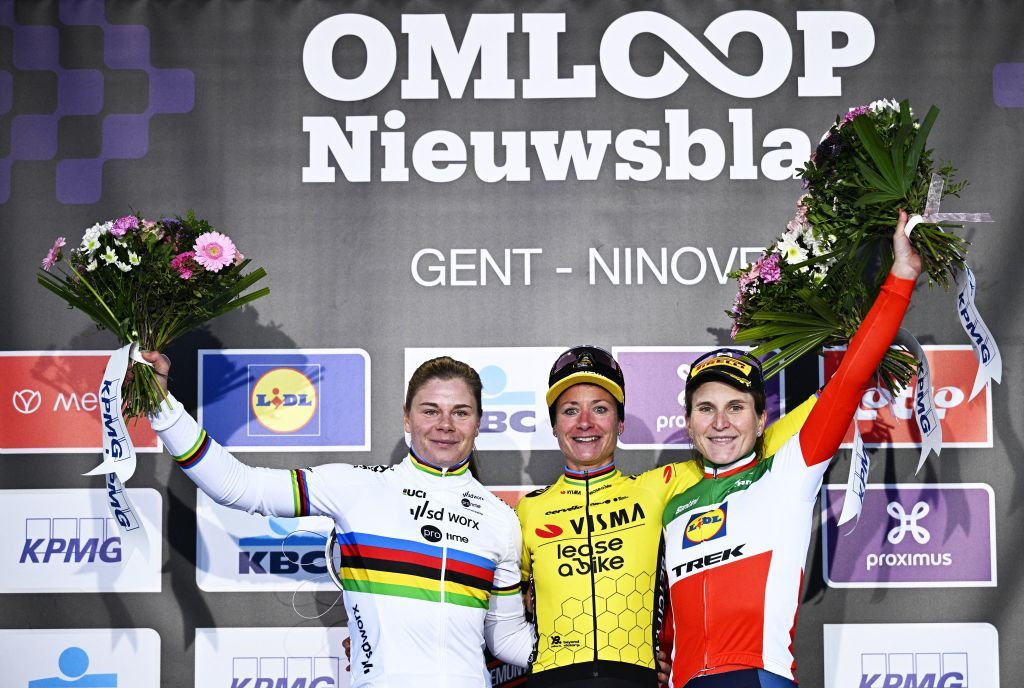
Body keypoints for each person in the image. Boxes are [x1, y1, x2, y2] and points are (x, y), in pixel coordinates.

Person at [143, 354, 534, 688]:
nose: (445, 424)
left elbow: (506, 639)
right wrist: (161, 405)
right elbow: (238, 486)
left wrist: (589, 650)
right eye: (430, 410)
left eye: (460, 412)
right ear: (407, 418)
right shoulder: (357, 486)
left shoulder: (500, 519)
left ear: (479, 422)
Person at [662, 211, 922, 687]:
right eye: (705, 408)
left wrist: (901, 276)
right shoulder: (674, 506)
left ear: (762, 420)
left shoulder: (789, 471)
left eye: (736, 408)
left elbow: (850, 378)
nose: (720, 423)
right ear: (688, 423)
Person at [515, 347, 814, 687]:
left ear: (621, 422)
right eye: (570, 410)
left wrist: (838, 386)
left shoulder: (662, 487)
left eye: (600, 408)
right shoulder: (528, 510)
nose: (586, 422)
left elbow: (748, 444)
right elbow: (506, 616)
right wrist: (555, 654)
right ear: (554, 425)